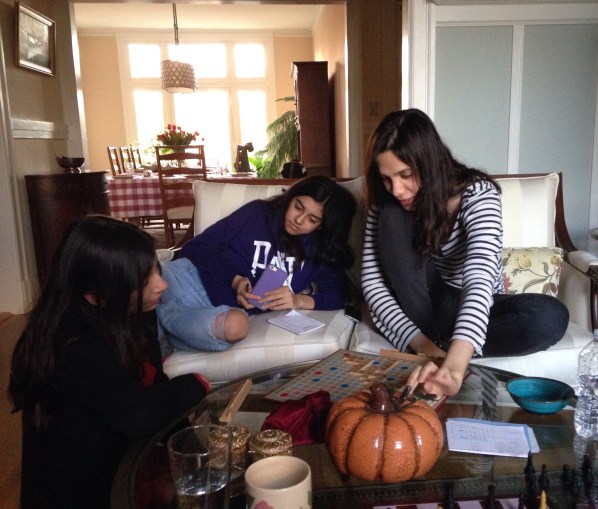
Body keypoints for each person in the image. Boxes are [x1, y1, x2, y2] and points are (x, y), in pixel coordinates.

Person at [361, 109, 569, 398]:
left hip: (474, 305)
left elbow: (479, 278)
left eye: (406, 174)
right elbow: (373, 284)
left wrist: (454, 366)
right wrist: (428, 350)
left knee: (549, 316)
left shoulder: (478, 194)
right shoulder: (386, 201)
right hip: (422, 309)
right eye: (386, 178)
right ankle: (439, 344)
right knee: (391, 214)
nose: (397, 189)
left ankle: (454, 344)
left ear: (430, 162)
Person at [8, 215, 210, 509]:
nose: (162, 285)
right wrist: (196, 383)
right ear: (95, 295)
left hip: (115, 467)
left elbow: (153, 380)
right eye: (144, 280)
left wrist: (194, 453)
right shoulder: (74, 345)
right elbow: (138, 415)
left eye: (156, 269)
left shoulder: (128, 310)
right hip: (80, 493)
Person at [157, 175, 357, 352]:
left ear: (322, 225)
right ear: (291, 197)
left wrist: (297, 300)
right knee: (143, 276)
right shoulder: (258, 213)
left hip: (216, 313)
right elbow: (195, 248)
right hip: (186, 279)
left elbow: (338, 295)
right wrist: (234, 280)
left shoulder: (320, 251)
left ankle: (159, 322)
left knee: (237, 326)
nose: (298, 219)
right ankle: (159, 327)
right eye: (298, 206)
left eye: (312, 219)